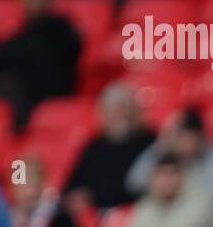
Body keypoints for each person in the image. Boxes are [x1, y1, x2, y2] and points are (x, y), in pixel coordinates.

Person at [0, 0, 81, 132]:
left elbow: (60, 64)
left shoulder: (63, 30)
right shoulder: (14, 39)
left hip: (52, 95)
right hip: (22, 99)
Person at [63, 81, 156, 211]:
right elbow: (72, 186)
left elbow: (138, 187)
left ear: (135, 111)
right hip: (96, 215)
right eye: (114, 110)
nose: (120, 114)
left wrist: (95, 196)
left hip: (136, 212)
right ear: (103, 115)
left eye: (124, 108)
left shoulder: (150, 142)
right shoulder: (94, 147)